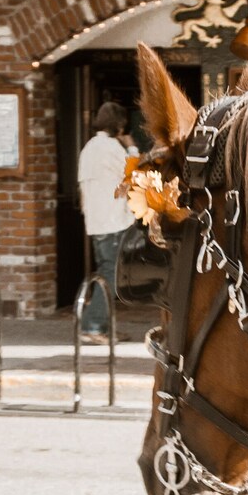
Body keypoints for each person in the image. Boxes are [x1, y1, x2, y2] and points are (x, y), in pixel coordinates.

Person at [77, 102, 137, 345]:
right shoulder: (111, 147)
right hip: (113, 221)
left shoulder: (88, 148)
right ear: (119, 125)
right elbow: (134, 173)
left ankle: (103, 327)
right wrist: (131, 147)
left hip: (96, 222)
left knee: (106, 273)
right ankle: (92, 326)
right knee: (110, 276)